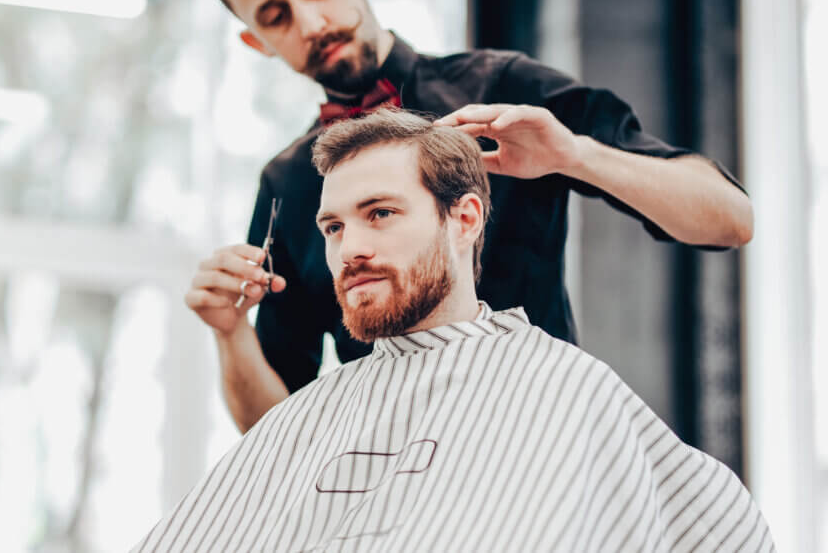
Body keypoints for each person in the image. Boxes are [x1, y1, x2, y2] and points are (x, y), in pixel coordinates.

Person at [186, 0, 754, 432]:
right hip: (391, 488)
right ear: (256, 41)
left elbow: (729, 218)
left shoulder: (503, 88)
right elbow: (274, 429)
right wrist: (230, 331)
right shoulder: (288, 183)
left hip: (545, 451)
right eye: (276, 16)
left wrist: (575, 154)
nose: (312, 23)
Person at [138, 110, 772, 553]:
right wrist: (230, 333)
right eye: (332, 228)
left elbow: (719, 529)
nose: (350, 248)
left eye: (380, 214)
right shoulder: (315, 414)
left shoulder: (563, 390)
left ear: (463, 217)